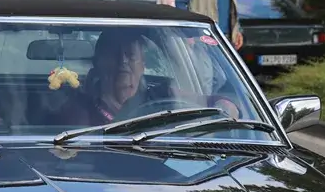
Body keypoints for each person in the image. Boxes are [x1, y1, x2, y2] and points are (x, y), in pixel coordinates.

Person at [57, 28, 238, 127]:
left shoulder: (164, 95)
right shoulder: (80, 106)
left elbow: (210, 102)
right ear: (98, 63)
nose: (123, 62)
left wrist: (226, 107)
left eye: (131, 55)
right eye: (114, 55)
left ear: (143, 65)